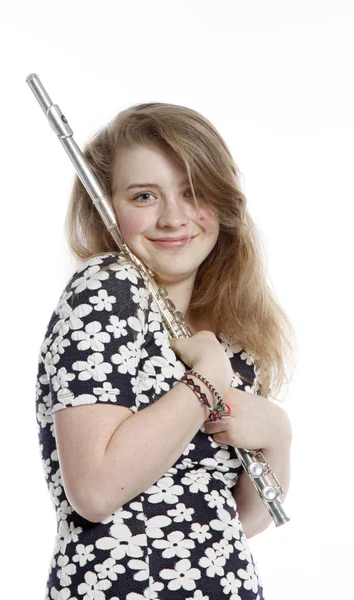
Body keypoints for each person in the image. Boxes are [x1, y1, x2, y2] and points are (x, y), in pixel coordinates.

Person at [35, 102, 295, 600]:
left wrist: (279, 436)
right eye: (145, 196)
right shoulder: (106, 289)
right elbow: (94, 491)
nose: (174, 217)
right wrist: (203, 385)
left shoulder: (234, 337)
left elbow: (238, 521)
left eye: (193, 192)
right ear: (106, 207)